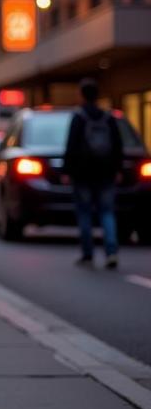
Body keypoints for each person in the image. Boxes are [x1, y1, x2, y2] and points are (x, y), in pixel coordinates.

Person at [63, 78, 123, 268]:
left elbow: (71, 146)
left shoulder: (79, 118)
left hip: (83, 173)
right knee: (107, 212)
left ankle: (88, 253)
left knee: (85, 212)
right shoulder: (108, 118)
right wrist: (117, 168)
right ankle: (111, 251)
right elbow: (117, 146)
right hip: (106, 172)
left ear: (82, 95)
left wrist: (67, 170)